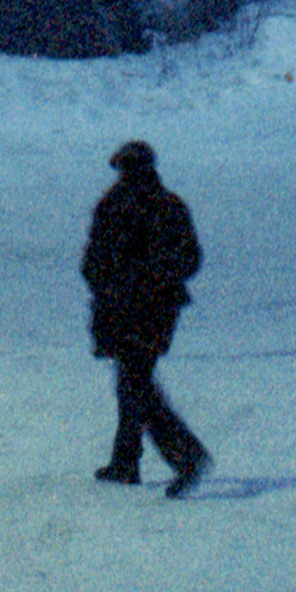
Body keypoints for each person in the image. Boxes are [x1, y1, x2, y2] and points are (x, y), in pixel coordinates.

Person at [83, 137, 208, 493]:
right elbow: (93, 263)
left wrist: (144, 279)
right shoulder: (154, 205)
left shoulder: (144, 207)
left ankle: (186, 457)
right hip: (136, 310)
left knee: (135, 384)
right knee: (132, 382)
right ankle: (125, 462)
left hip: (143, 310)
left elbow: (187, 259)